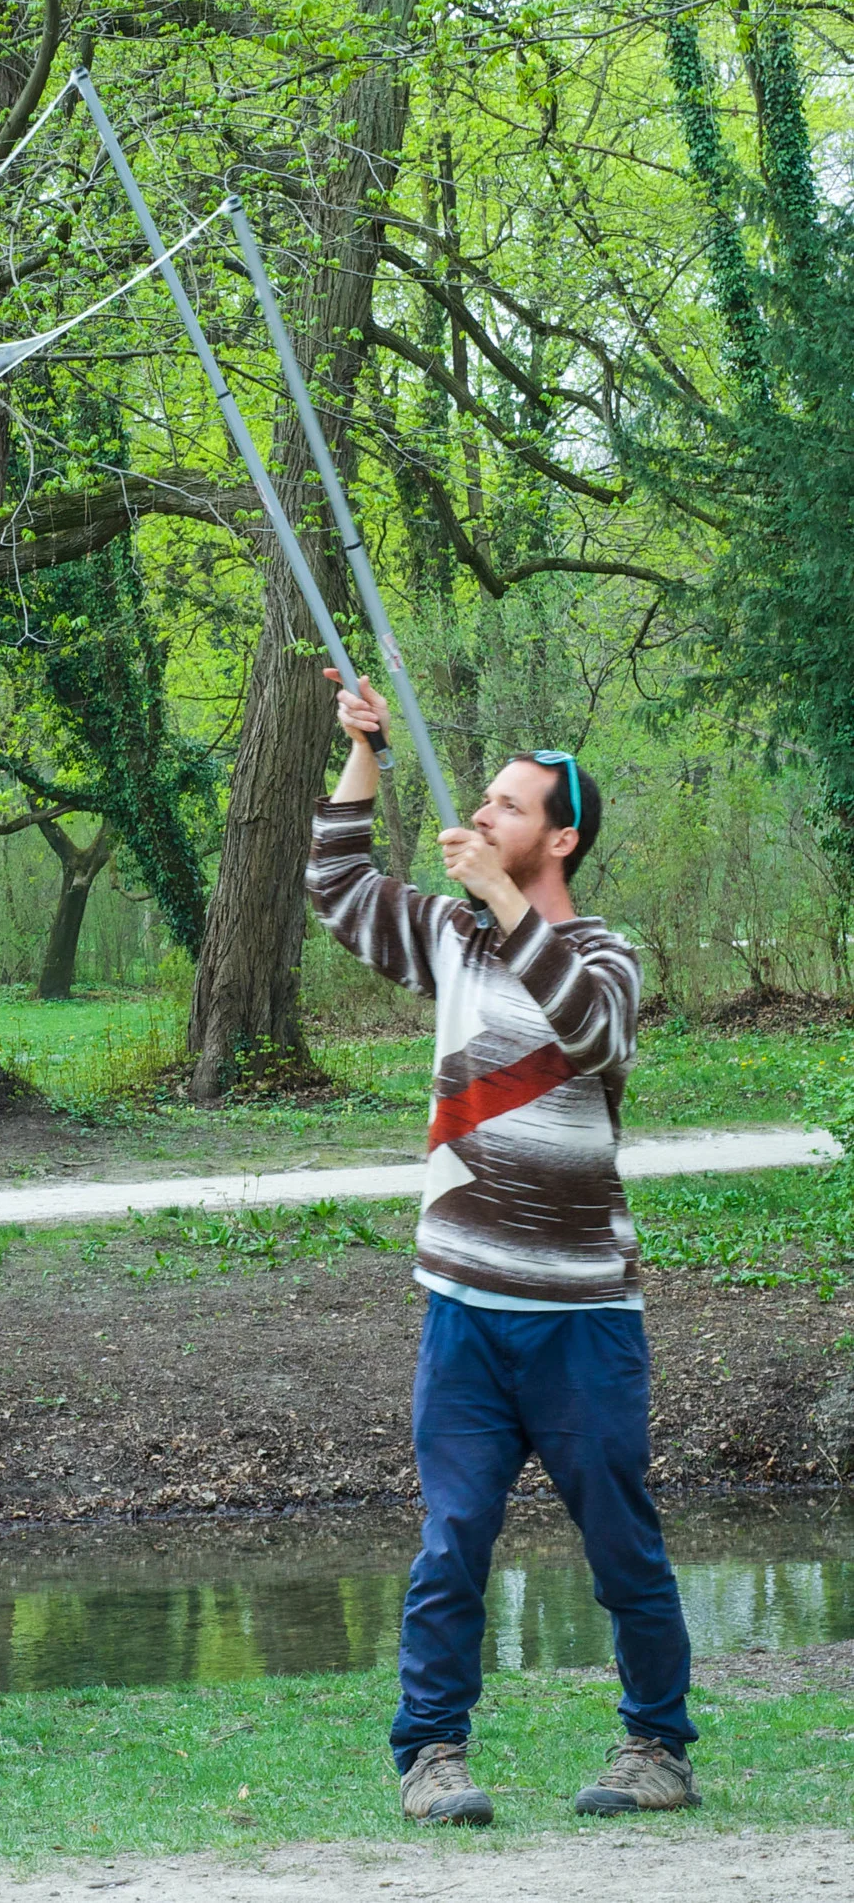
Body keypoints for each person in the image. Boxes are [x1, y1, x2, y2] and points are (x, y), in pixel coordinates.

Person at [309, 672, 697, 1827]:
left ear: (559, 838)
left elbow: (588, 1030)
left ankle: (657, 1749)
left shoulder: (608, 955)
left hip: (582, 1316)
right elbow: (336, 885)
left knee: (623, 1548)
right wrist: (365, 750)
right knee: (451, 1544)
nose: (480, 816)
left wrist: (502, 903)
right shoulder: (452, 937)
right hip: (463, 1310)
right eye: (480, 800)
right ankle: (431, 1756)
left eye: (507, 807)